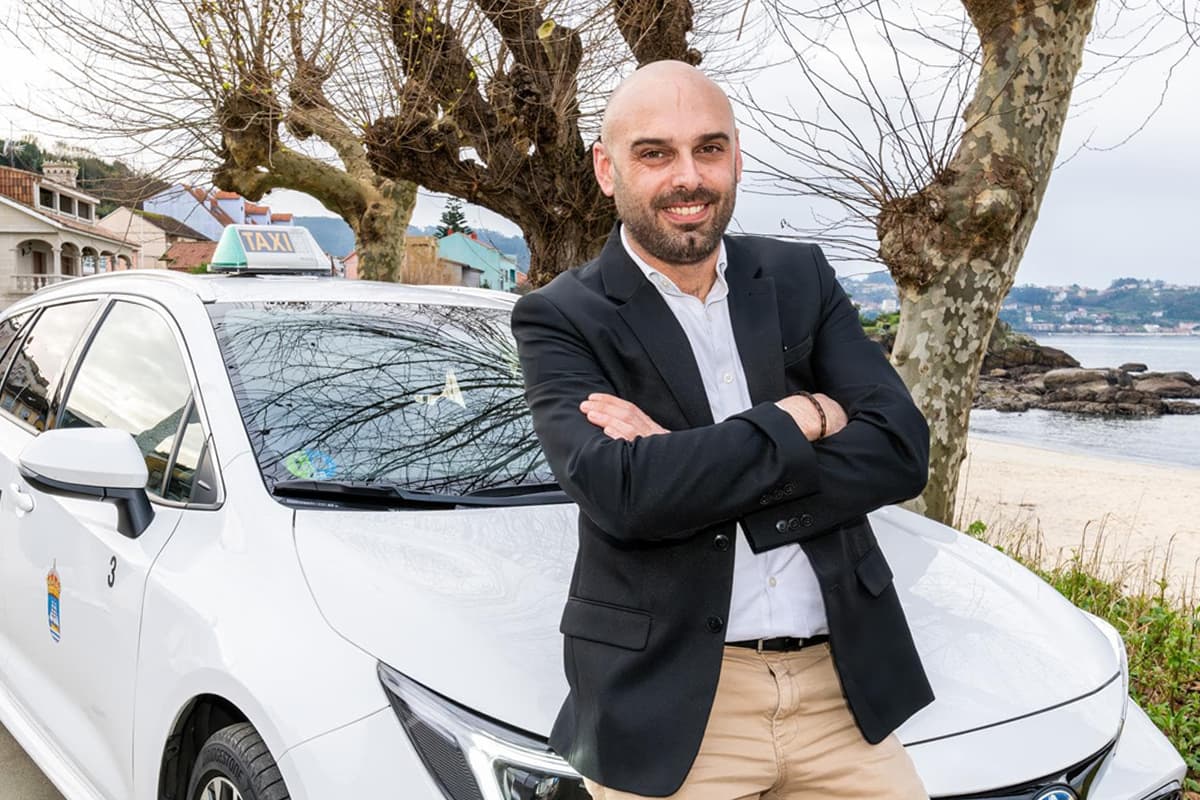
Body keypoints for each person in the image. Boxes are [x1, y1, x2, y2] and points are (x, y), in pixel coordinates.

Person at [510, 60, 934, 800]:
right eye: (655, 153)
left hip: (842, 694)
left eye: (709, 149)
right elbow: (625, 495)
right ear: (606, 170)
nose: (689, 177)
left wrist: (690, 462)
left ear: (736, 158)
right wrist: (801, 418)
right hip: (675, 706)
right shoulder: (562, 316)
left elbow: (901, 450)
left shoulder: (800, 278)